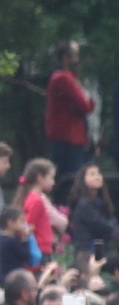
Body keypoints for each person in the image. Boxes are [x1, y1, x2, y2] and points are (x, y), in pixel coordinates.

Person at [46, 41, 95, 192]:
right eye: (75, 55)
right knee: (71, 179)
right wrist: (89, 99)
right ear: (65, 57)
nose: (78, 59)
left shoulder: (66, 77)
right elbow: (86, 105)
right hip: (69, 137)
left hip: (71, 137)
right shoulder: (63, 78)